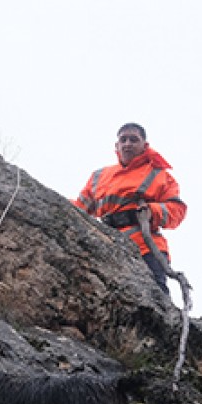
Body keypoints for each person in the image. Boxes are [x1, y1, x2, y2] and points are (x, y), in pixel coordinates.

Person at [73, 123, 187, 293]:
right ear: (116, 146)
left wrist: (152, 211)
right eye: (123, 139)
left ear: (144, 145)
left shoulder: (160, 175)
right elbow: (79, 209)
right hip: (106, 246)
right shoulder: (99, 176)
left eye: (134, 140)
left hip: (146, 248)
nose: (127, 144)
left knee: (156, 298)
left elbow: (176, 211)